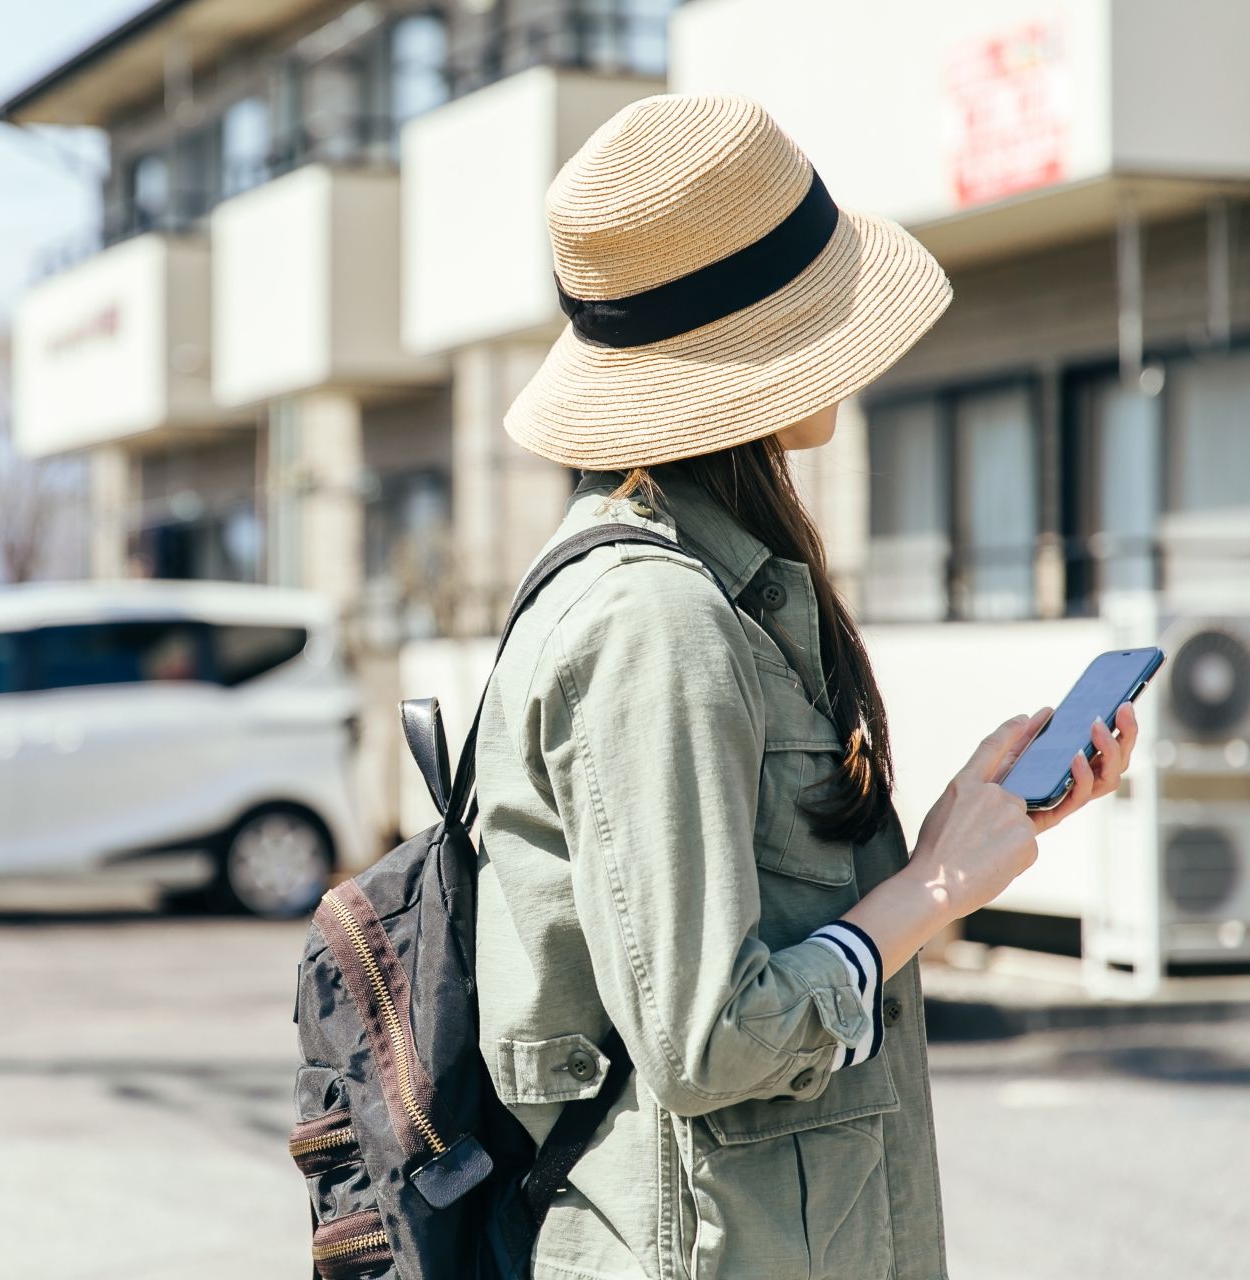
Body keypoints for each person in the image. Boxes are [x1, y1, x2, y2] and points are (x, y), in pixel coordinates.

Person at [473, 94, 1136, 1279]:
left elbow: (776, 947)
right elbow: (707, 1041)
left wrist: (954, 838)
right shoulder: (653, 620)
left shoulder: (710, 592)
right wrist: (932, 884)